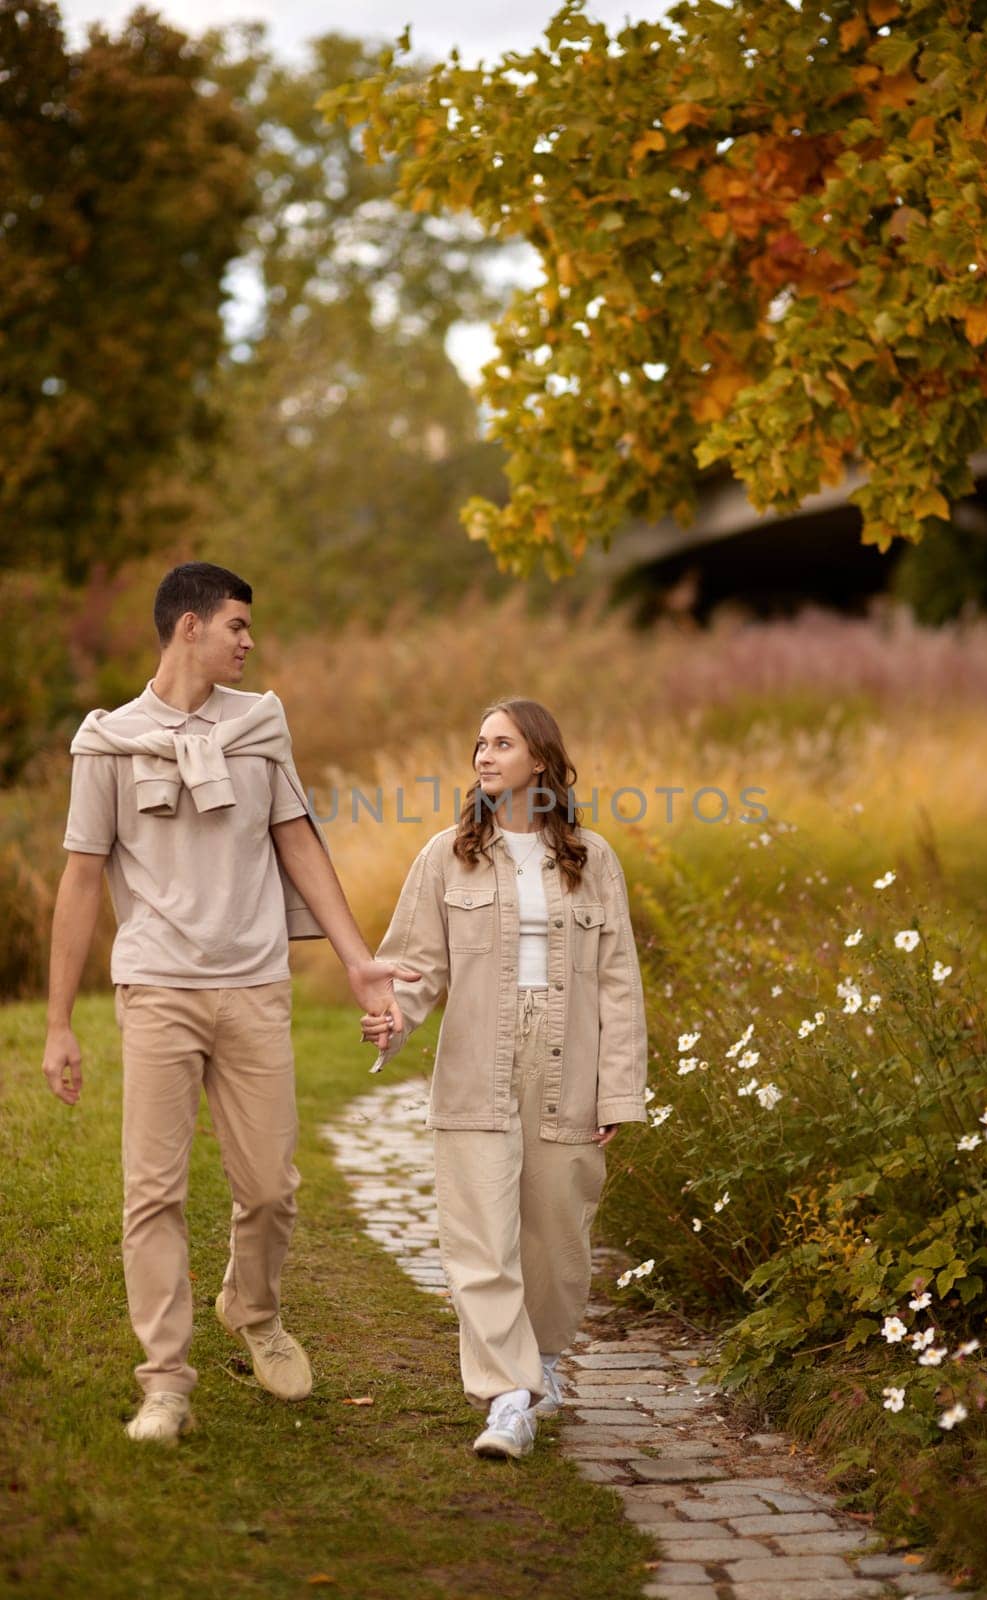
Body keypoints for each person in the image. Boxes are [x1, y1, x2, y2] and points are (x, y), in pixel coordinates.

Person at [41, 562, 417, 1443]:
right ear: (189, 629)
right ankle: (165, 1382)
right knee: (153, 1193)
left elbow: (299, 842)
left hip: (253, 985)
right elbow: (81, 878)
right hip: (158, 989)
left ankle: (252, 1312)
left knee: (271, 1187)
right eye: (238, 626)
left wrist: (359, 962)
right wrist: (58, 1022)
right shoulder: (108, 743)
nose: (249, 643)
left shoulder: (259, 728)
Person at [362, 698, 647, 1459]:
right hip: (476, 1064)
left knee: (558, 1241)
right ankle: (509, 1396)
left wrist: (619, 1089)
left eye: (502, 743)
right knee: (479, 1239)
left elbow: (619, 983)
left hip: (570, 1069)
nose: (484, 756)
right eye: (479, 744)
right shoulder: (445, 855)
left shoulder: (593, 859)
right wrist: (395, 1015)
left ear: (541, 761)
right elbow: (417, 965)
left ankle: (544, 1361)